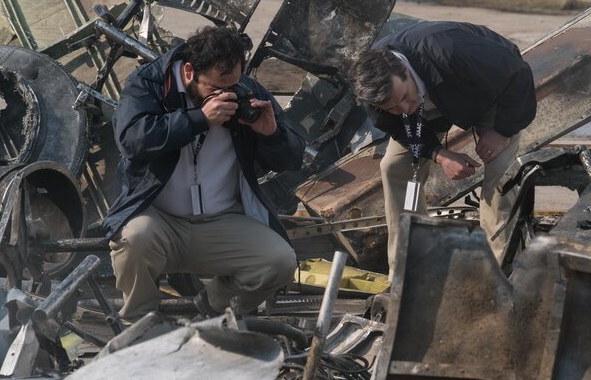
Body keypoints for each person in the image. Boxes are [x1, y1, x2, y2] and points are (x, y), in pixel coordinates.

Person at [101, 26, 306, 320]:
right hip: (160, 220)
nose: (226, 96)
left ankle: (210, 311)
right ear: (188, 72)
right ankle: (139, 323)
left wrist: (271, 134)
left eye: (232, 86)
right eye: (215, 88)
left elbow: (294, 157)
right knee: (133, 239)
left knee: (279, 261)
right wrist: (198, 119)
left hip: (222, 220)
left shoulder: (246, 91)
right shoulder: (148, 83)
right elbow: (133, 140)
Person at [349, 21, 536, 273]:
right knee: (396, 167)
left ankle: (500, 267)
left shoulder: (451, 49)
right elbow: (397, 125)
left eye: (403, 97)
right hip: (433, 106)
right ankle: (408, 267)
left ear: (404, 69)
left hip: (485, 91)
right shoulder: (375, 92)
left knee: (501, 172)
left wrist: (500, 132)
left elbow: (518, 75)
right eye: (392, 107)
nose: (402, 109)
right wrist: (439, 154)